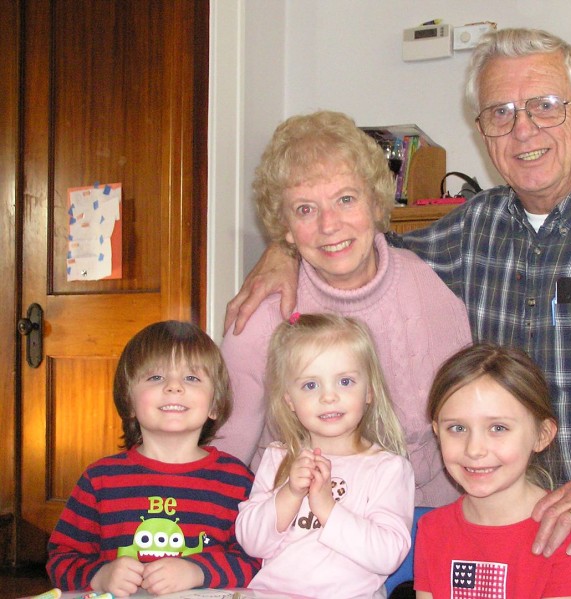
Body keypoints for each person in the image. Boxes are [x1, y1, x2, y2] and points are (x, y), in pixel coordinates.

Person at [224, 27, 571, 598]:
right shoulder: (473, 229)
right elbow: (360, 249)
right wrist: (284, 250)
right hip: (532, 548)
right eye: (500, 112)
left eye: (545, 105)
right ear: (483, 133)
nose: (522, 128)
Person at [213, 110, 471, 508]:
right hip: (303, 530)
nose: (329, 225)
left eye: (346, 199)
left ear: (376, 203)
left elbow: (465, 426)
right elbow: (223, 462)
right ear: (285, 229)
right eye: (305, 209)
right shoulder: (262, 316)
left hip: (424, 520)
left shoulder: (430, 286)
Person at [46, 321, 260, 596]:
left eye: (192, 378)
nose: (174, 387)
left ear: (215, 404)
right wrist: (100, 575)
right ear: (129, 400)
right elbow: (61, 560)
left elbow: (256, 560)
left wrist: (197, 571)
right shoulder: (99, 480)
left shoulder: (237, 481)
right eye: (156, 377)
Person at [415, 343, 571, 599]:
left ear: (542, 435)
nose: (474, 449)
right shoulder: (432, 530)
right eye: (457, 428)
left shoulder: (569, 533)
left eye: (498, 428)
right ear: (437, 431)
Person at [235, 313, 415, 598]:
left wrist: (328, 508)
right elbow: (251, 541)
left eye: (345, 381)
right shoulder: (279, 457)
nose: (328, 397)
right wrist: (290, 494)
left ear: (369, 391)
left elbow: (388, 555)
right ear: (289, 400)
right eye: (310, 385)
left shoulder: (388, 468)